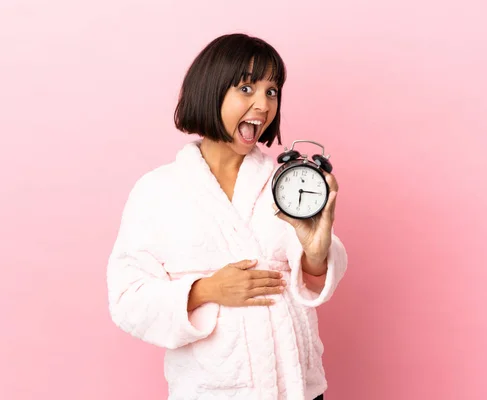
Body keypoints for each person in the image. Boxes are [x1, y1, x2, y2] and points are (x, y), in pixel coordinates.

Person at [106, 33, 348, 400]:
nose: (264, 105)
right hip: (213, 390)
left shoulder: (284, 183)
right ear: (211, 90)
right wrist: (207, 290)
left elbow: (314, 276)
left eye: (272, 91)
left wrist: (317, 251)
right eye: (247, 88)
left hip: (296, 387)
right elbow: (127, 298)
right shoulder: (158, 190)